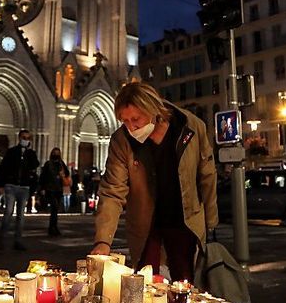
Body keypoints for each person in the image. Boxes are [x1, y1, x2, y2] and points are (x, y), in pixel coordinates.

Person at [91, 82, 217, 282]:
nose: (131, 127)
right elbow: (112, 191)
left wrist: (211, 225)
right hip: (145, 224)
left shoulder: (190, 127)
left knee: (184, 284)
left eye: (136, 119)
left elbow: (207, 176)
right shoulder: (121, 140)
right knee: (146, 285)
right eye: (125, 121)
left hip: (184, 221)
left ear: (152, 109)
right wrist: (103, 241)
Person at [0, 129, 39, 250]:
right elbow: (2, 169)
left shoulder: (31, 154)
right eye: (24, 137)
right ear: (19, 138)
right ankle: (2, 239)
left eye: (28, 138)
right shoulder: (12, 152)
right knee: (8, 212)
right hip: (11, 186)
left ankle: (17, 241)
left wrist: (33, 189)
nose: (25, 140)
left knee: (21, 215)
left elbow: (35, 168)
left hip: (24, 188)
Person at [39, 148, 70, 237]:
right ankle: (52, 227)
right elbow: (43, 176)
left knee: (55, 209)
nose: (56, 155)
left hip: (58, 189)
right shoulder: (48, 164)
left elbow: (67, 173)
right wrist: (42, 188)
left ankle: (53, 227)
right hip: (50, 189)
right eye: (55, 153)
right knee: (54, 207)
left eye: (58, 153)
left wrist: (62, 174)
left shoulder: (61, 164)